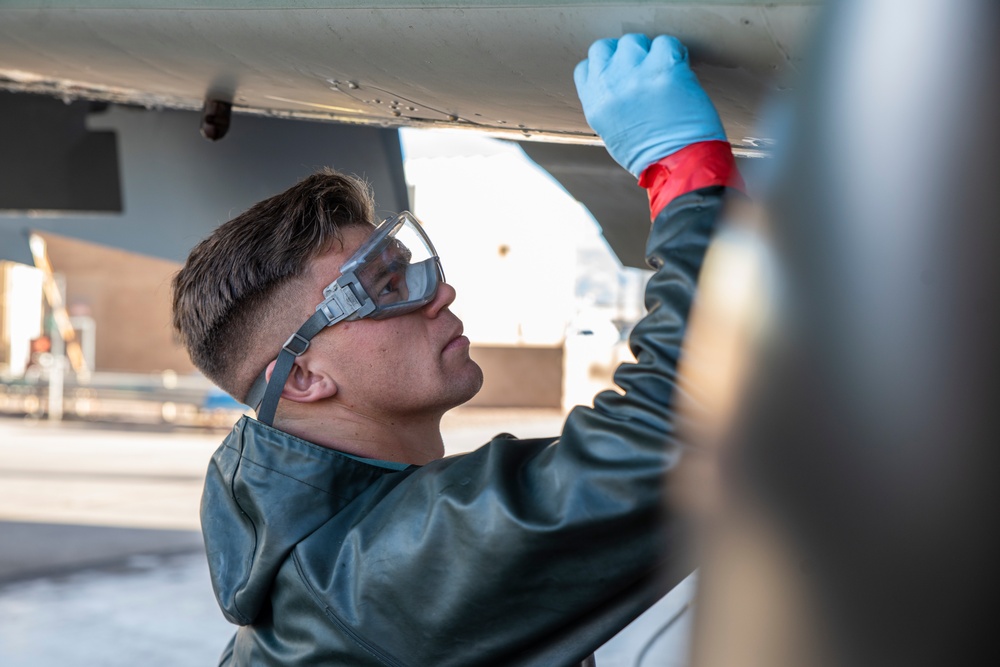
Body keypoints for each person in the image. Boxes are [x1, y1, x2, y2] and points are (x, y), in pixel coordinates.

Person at [172, 33, 744, 666]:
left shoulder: (326, 578)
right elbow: (668, 436)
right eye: (383, 287)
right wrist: (683, 168)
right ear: (304, 376)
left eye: (409, 268)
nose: (437, 293)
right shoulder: (375, 582)